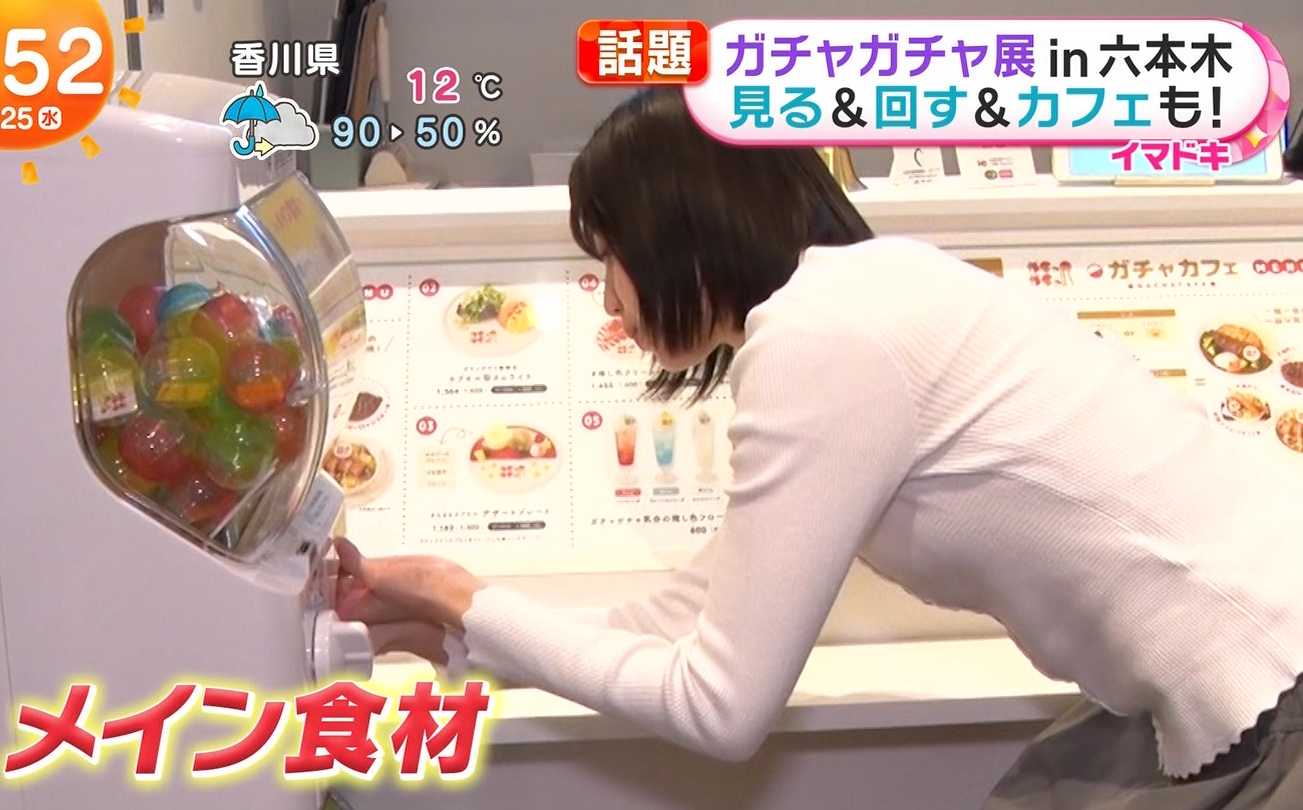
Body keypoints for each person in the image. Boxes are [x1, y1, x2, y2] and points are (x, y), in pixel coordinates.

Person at [333, 86, 1303, 808]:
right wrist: (452, 627)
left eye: (609, 259)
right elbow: (686, 610)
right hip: (1235, 669)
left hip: (1269, 679)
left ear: (677, 231)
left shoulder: (821, 337)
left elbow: (719, 710)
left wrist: (462, 595)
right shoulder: (856, 298)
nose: (611, 300)